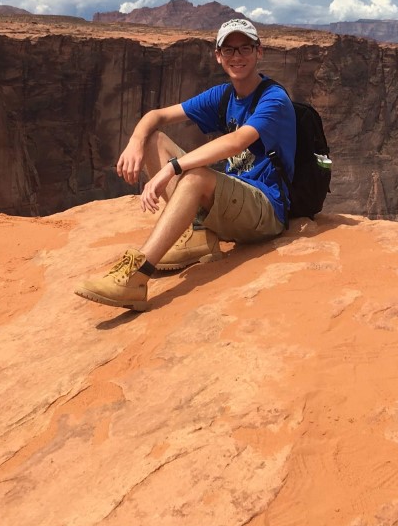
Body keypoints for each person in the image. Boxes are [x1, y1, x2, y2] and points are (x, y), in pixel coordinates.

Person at [75, 18, 296, 311]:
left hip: (266, 210)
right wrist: (135, 141)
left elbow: (236, 142)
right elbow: (157, 115)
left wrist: (172, 167)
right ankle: (197, 235)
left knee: (195, 178)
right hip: (235, 202)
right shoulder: (225, 95)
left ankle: (136, 278)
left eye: (245, 48)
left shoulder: (273, 98)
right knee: (155, 140)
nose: (237, 57)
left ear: (259, 52)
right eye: (228, 50)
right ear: (218, 56)